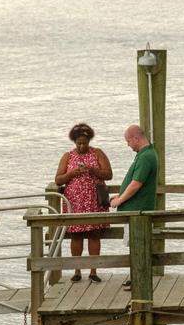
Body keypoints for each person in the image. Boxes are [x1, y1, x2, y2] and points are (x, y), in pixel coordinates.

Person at [54, 122, 113, 283]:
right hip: (75, 202)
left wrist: (92, 170)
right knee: (76, 235)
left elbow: (109, 174)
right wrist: (72, 173)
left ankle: (93, 271)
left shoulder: (98, 153)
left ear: (89, 141)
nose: (81, 146)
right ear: (74, 142)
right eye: (79, 143)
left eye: (84, 143)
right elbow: (58, 179)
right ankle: (77, 270)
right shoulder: (68, 156)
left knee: (94, 234)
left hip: (93, 200)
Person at [110, 125, 159, 290]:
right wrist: (120, 197)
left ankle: (139, 280)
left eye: (128, 141)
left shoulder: (146, 157)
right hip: (135, 210)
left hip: (139, 211)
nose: (128, 145)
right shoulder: (144, 154)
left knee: (139, 245)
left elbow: (136, 183)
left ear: (135, 138)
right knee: (135, 245)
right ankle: (135, 277)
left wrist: (119, 200)